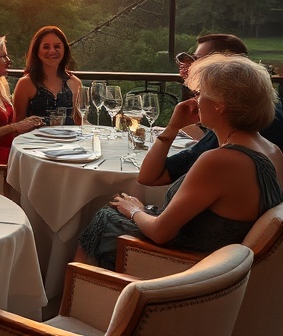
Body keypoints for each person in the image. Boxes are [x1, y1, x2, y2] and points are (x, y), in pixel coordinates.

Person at [78, 54, 283, 270]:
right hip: (224, 263)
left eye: (201, 93)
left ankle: (80, 296)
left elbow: (160, 233)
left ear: (220, 105)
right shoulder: (272, 151)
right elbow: (148, 177)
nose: (195, 100)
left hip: (192, 267)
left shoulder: (221, 160)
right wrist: (173, 127)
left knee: (106, 217)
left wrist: (135, 210)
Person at [138, 33, 283, 186]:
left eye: (196, 60)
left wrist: (135, 210)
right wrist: (172, 129)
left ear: (227, 65)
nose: (187, 64)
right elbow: (154, 175)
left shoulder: (249, 131)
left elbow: (152, 178)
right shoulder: (235, 124)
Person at [12, 26, 82, 126]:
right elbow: (17, 127)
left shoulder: (75, 83)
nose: (52, 51)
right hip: (34, 141)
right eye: (46, 47)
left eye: (57, 46)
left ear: (64, 50)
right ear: (37, 51)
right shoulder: (25, 83)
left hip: (68, 141)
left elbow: (80, 123)